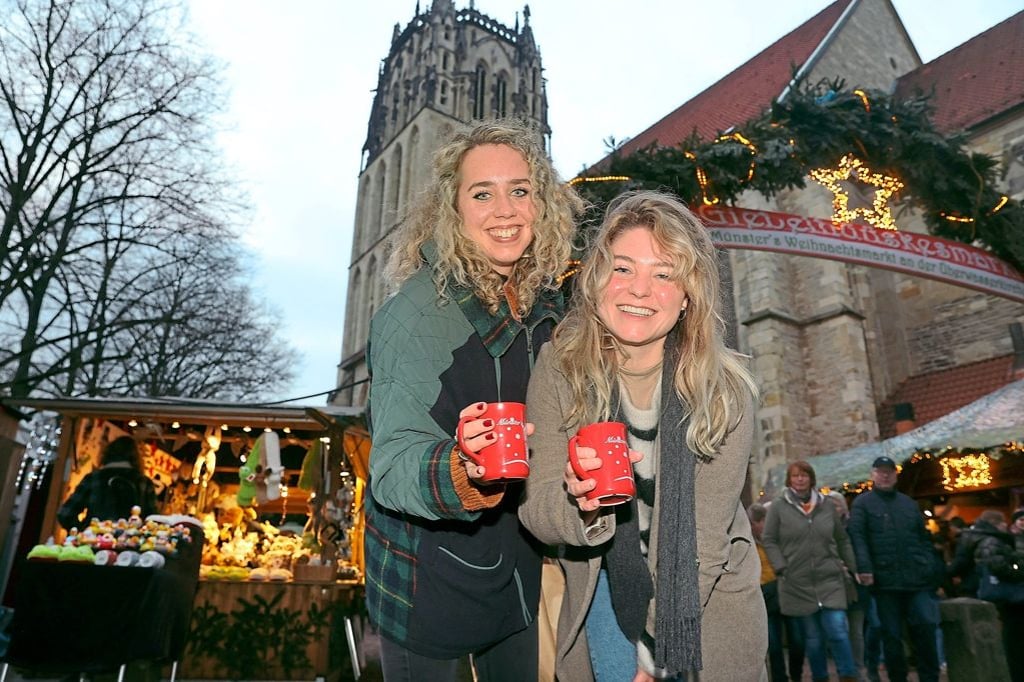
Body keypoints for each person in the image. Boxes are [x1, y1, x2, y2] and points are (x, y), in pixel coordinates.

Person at [363, 119, 584, 682]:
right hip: (424, 581)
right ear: (453, 209)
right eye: (482, 193)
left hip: (516, 572)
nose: (505, 210)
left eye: (521, 190)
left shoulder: (548, 306)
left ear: (543, 203)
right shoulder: (413, 316)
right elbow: (391, 466)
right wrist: (459, 471)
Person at [519, 190, 767, 681]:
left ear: (687, 295)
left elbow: (704, 545)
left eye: (663, 274)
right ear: (596, 280)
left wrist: (654, 656)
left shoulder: (727, 387)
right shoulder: (559, 368)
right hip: (605, 591)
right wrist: (581, 506)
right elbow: (536, 511)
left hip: (705, 603)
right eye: (624, 268)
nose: (639, 290)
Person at [848, 456, 943, 682]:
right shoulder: (863, 503)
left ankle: (930, 677)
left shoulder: (908, 503)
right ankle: (898, 677)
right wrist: (865, 567)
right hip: (884, 581)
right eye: (880, 471)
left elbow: (923, 538)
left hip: (916, 579)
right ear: (873, 475)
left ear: (895, 474)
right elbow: (858, 537)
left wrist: (928, 565)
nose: (885, 475)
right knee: (891, 636)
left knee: (926, 629)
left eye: (889, 471)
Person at [763, 462, 858, 682]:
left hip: (829, 578)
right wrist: (780, 566)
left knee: (838, 631)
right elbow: (769, 539)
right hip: (797, 581)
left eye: (804, 475)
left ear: (811, 478)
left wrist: (853, 568)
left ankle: (848, 675)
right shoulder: (778, 506)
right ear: (790, 480)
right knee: (813, 638)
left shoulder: (825, 505)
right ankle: (820, 677)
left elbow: (842, 539)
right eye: (795, 476)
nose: (800, 479)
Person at [827, 491, 881, 682]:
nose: (834, 509)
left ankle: (859, 667)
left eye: (837, 505)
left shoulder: (854, 528)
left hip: (855, 586)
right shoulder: (823, 529)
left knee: (857, 631)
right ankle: (847, 669)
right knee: (839, 631)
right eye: (830, 505)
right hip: (833, 586)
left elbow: (861, 551)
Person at [750, 502, 805, 682]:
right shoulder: (749, 547)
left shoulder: (778, 540)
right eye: (763, 521)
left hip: (787, 593)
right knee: (773, 645)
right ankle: (780, 678)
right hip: (765, 599)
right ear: (754, 524)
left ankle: (796, 676)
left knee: (797, 641)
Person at [57, 435, 158, 529]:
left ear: (107, 454)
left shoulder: (93, 478)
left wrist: (83, 530)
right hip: (130, 543)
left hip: (93, 542)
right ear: (136, 458)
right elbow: (153, 521)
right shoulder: (144, 482)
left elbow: (65, 514)